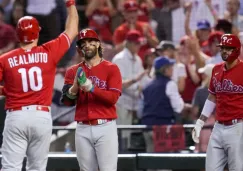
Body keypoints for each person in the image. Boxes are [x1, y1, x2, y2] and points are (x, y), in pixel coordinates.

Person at [0, 0, 78, 170]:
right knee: (37, 168)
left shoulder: (5, 59)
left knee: (9, 167)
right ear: (37, 34)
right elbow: (71, 31)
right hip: (41, 116)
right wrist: (71, 4)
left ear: (17, 34)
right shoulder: (48, 52)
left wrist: (6, 90)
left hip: (16, 116)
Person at [61, 28, 122, 171]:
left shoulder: (111, 68)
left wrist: (91, 88)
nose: (87, 45)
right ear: (79, 49)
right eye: (83, 43)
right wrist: (75, 87)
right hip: (82, 127)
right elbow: (67, 101)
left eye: (90, 41)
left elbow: (112, 98)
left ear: (99, 44)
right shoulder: (72, 71)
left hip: (105, 126)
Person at [192, 34, 243, 170]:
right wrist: (200, 122)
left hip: (237, 126)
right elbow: (212, 97)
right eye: (222, 48)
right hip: (218, 126)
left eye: (228, 48)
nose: (224, 51)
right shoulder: (216, 69)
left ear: (236, 49)